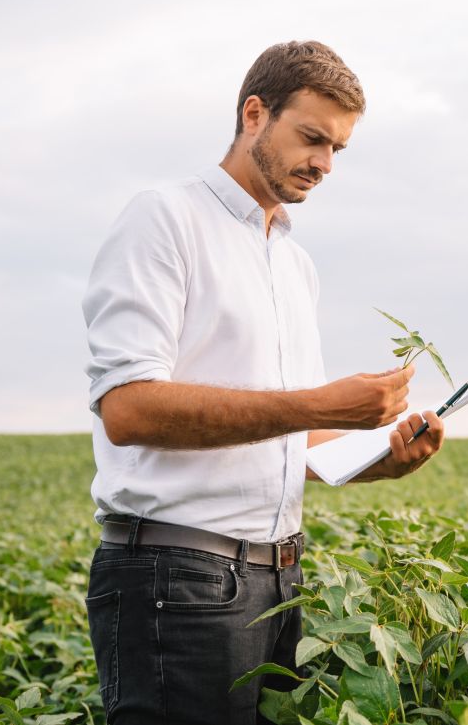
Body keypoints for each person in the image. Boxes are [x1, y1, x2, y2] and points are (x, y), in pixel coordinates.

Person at [80, 40, 445, 724]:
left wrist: (381, 459)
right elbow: (127, 408)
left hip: (276, 578)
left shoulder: (293, 262)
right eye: (312, 137)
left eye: (337, 148)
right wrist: (317, 402)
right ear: (254, 114)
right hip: (175, 576)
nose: (324, 163)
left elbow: (287, 437)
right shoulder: (165, 218)